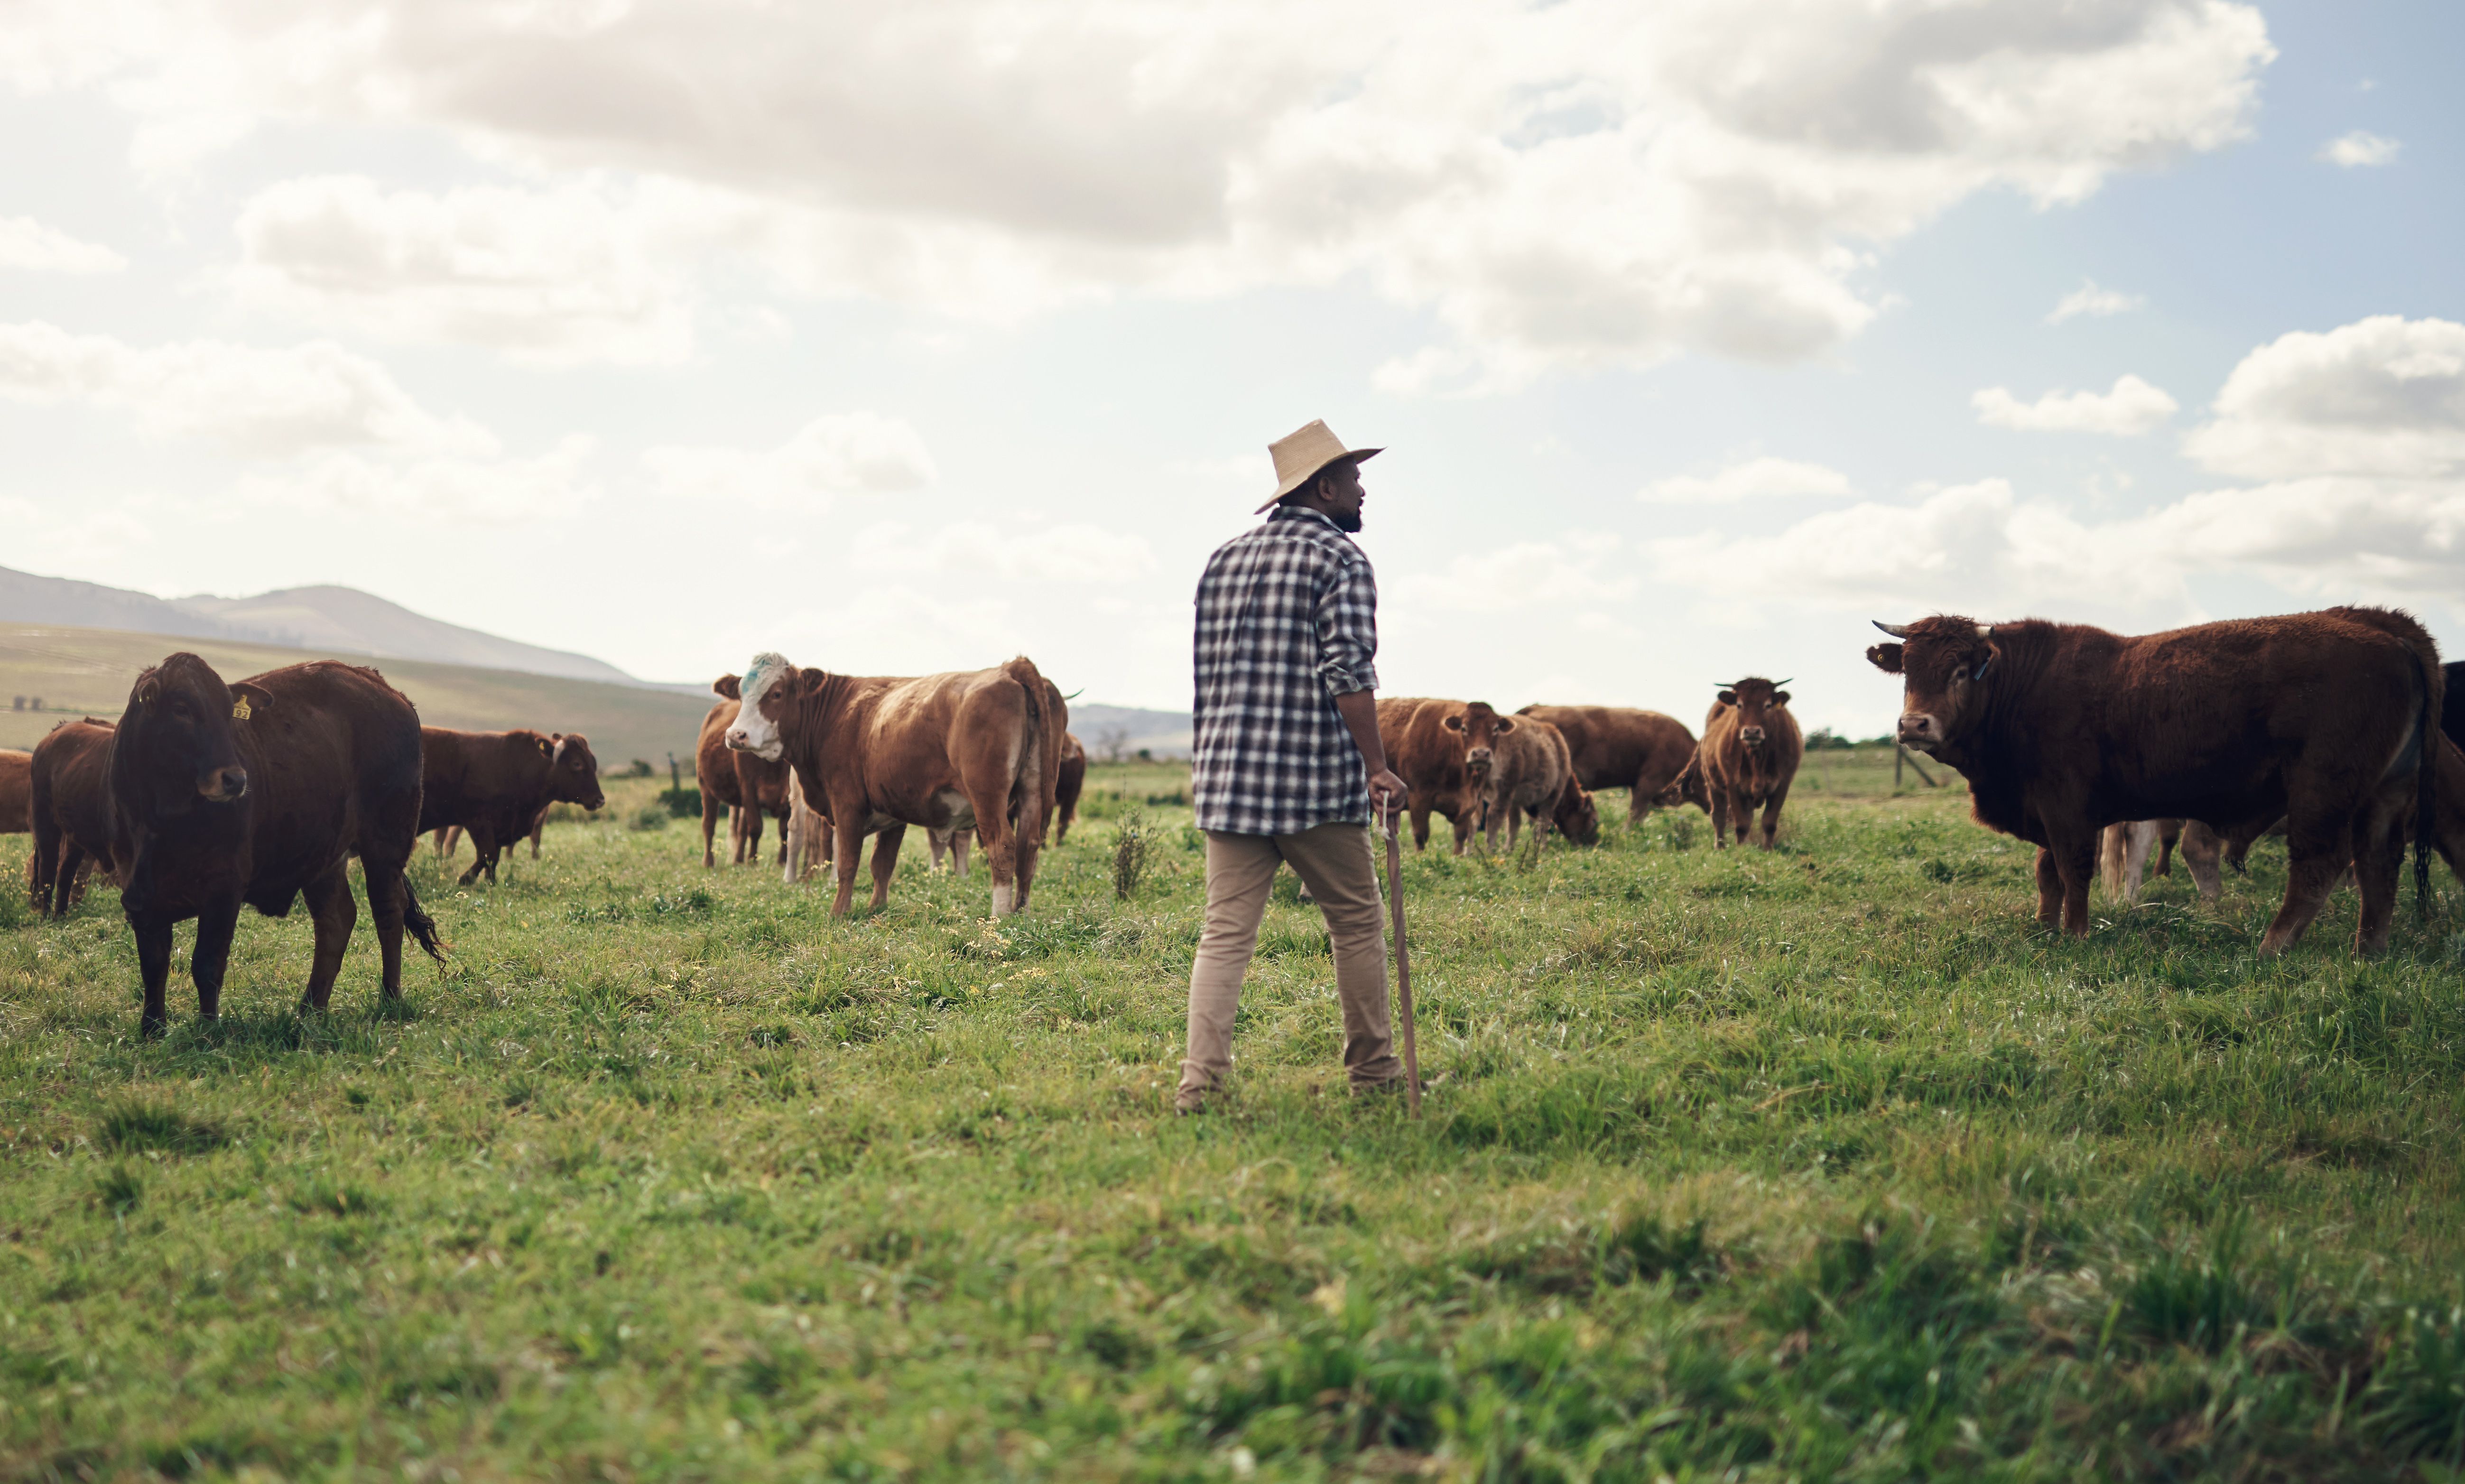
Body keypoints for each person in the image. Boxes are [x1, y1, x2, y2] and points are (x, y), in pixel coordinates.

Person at [1179, 419, 1413, 1113]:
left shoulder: (1223, 559)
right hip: (1312, 780)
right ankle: (1374, 1078)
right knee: (1357, 922)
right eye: (1356, 479)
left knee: (1224, 936)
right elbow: (1348, 669)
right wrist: (1377, 764)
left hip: (1230, 780)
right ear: (1326, 486)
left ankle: (1200, 1087)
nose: (1364, 492)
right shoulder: (1339, 560)